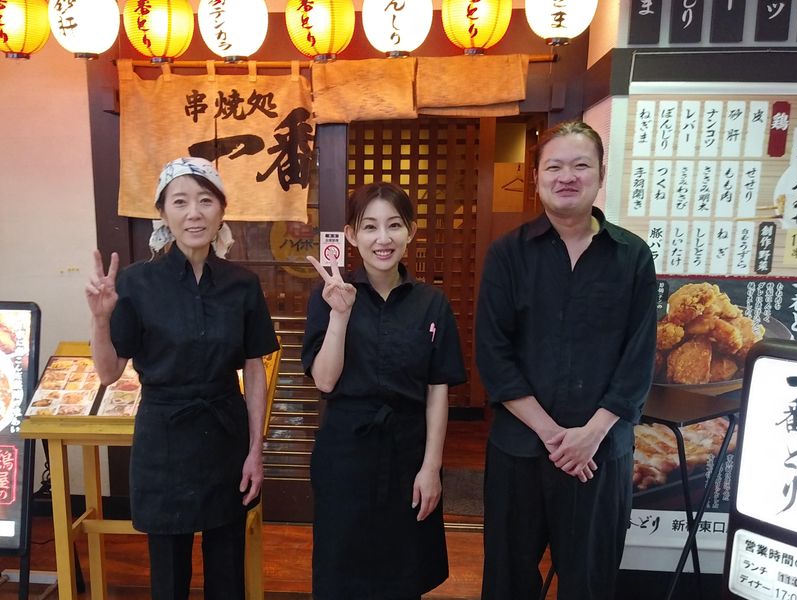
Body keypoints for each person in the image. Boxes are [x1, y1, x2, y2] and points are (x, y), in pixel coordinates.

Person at [476, 121, 657, 600]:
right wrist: (555, 436)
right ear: (536, 176)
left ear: (600, 175)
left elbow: (638, 359)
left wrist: (589, 436)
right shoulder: (507, 255)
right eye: (554, 166)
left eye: (581, 165)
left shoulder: (633, 257)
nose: (567, 176)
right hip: (520, 449)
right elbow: (493, 354)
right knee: (508, 580)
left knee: (590, 581)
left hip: (599, 453)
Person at [85, 157, 280, 600]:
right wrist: (100, 319)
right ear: (162, 213)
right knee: (169, 576)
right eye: (180, 202)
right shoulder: (135, 283)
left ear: (222, 210)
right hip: (163, 440)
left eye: (205, 201)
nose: (194, 213)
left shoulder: (242, 284)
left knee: (227, 569)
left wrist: (256, 449)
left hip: (225, 436)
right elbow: (109, 372)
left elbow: (253, 369)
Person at [302, 181, 467, 600]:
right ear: (351, 235)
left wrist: (431, 468)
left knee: (403, 572)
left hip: (407, 453)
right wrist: (340, 316)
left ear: (411, 231)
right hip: (345, 454)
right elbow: (325, 381)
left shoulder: (432, 303)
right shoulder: (328, 296)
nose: (383, 238)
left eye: (394, 225)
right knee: (342, 572)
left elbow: (437, 391)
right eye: (370, 227)